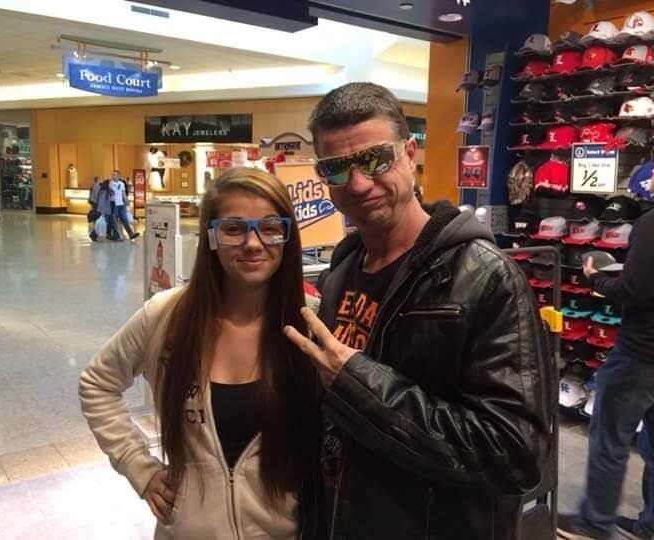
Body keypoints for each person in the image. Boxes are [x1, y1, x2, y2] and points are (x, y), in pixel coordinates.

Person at [283, 82, 552, 539]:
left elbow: (515, 455)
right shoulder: (342, 270)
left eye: (375, 160)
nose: (358, 184)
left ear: (409, 154)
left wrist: (356, 380)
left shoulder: (487, 278)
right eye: (337, 168)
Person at [79, 167, 323, 539]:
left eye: (270, 227)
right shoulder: (166, 316)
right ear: (210, 236)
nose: (253, 243)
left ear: (287, 236)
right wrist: (137, 466)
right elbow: (97, 383)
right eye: (233, 229)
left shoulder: (312, 323)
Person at [557, 138, 654, 540]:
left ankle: (594, 522)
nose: (653, 171)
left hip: (642, 352)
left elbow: (635, 289)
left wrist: (597, 279)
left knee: (610, 439)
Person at [109, 170, 139, 241]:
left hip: (121, 204)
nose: (114, 176)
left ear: (119, 176)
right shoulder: (110, 183)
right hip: (113, 204)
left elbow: (123, 194)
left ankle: (131, 234)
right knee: (114, 220)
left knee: (124, 219)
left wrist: (127, 201)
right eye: (112, 175)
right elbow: (110, 193)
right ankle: (116, 236)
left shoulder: (122, 183)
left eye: (115, 175)